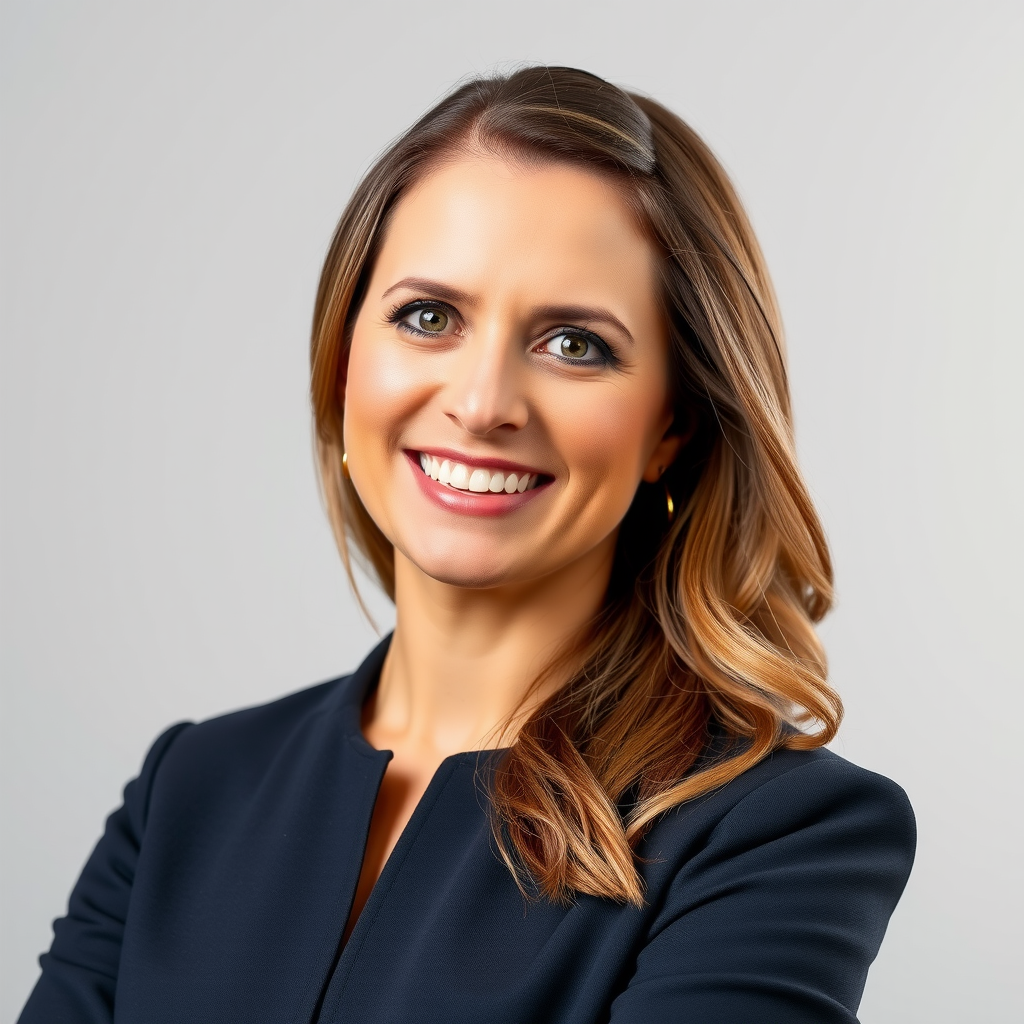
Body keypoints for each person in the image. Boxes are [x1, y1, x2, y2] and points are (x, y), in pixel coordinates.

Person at [19, 66, 915, 1024]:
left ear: (672, 427)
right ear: (344, 360)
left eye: (574, 344)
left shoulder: (776, 832)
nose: (483, 404)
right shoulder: (189, 791)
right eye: (428, 317)